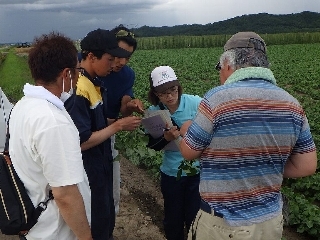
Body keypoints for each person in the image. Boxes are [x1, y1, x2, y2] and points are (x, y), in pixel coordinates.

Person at [179, 32, 318, 240]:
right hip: (269, 224)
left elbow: (189, 152)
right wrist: (262, 166)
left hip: (223, 225)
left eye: (219, 68)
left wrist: (186, 130)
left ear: (227, 65)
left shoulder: (217, 99)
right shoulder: (292, 104)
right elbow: (307, 165)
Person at [9, 32, 92, 240]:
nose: (77, 78)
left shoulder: (22, 106)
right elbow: (65, 194)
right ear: (66, 74)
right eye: (77, 71)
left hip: (35, 227)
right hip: (55, 232)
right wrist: (85, 237)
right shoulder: (52, 121)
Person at [64, 28, 141, 240]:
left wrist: (120, 121)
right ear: (91, 57)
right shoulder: (80, 90)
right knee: (96, 218)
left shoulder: (92, 83)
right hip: (89, 167)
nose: (114, 64)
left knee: (105, 214)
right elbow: (81, 141)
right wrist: (116, 127)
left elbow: (94, 122)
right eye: (110, 59)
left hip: (100, 162)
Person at [146, 66, 202, 240]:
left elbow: (211, 131)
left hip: (197, 172)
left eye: (172, 89)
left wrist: (190, 131)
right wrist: (166, 137)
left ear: (178, 87)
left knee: (195, 218)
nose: (169, 96)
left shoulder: (195, 103)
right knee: (173, 219)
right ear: (156, 94)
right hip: (171, 173)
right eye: (163, 93)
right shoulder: (154, 113)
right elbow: (153, 145)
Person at [99, 25, 144, 215]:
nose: (122, 61)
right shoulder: (88, 67)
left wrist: (131, 105)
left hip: (108, 131)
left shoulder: (127, 75)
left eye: (128, 57)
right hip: (82, 133)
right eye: (119, 55)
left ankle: (108, 222)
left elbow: (124, 104)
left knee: (110, 180)